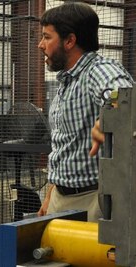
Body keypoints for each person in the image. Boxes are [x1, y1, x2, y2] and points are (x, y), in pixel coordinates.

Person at [36, 2, 133, 222]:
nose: (41, 45)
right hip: (60, 198)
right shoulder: (67, 81)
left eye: (47, 37)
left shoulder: (98, 70)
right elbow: (63, 147)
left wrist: (107, 120)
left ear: (69, 41)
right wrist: (50, 194)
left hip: (92, 201)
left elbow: (122, 96)